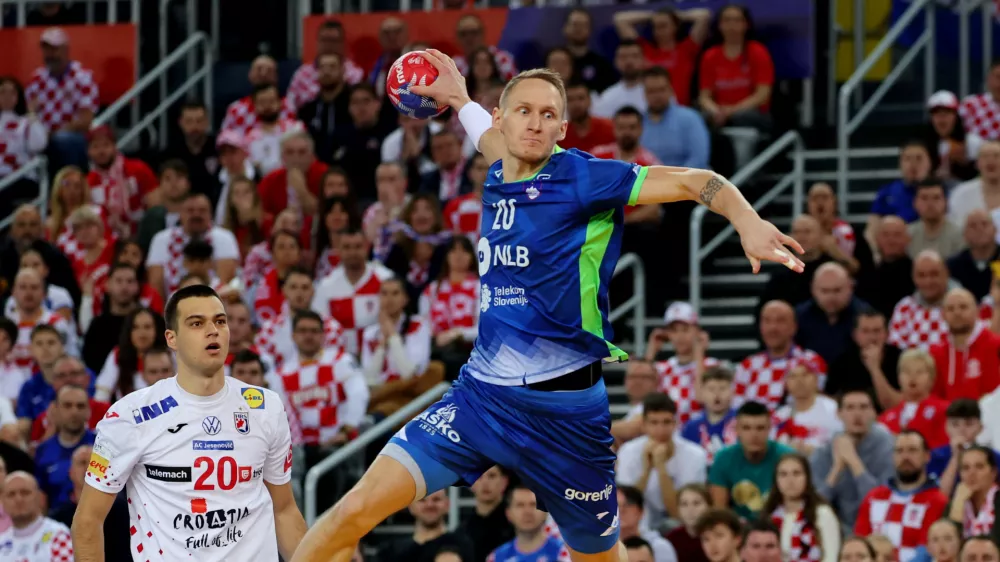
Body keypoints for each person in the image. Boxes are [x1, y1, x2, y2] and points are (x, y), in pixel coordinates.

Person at [292, 50, 802, 562]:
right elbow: (484, 136)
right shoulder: (497, 166)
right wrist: (459, 98)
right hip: (481, 400)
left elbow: (695, 181)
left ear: (562, 128)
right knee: (352, 511)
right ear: (502, 118)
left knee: (597, 557)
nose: (535, 124)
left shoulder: (583, 178)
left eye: (548, 115)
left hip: (567, 417)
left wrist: (747, 220)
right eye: (524, 111)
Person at [70, 285, 308, 560]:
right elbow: (87, 522)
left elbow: (285, 510)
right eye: (197, 323)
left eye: (220, 321)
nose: (213, 330)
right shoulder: (130, 415)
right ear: (171, 338)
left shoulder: (266, 407)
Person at [809, 389, 896, 537]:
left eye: (863, 407)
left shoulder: (889, 447)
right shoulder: (825, 450)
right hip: (837, 531)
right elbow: (813, 507)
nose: (857, 414)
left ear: (874, 413)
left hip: (880, 530)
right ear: (839, 414)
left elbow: (881, 505)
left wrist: (853, 461)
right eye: (850, 408)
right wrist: (837, 468)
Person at [855, 430, 949, 562]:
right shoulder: (874, 497)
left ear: (927, 456)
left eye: (912, 450)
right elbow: (859, 546)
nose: (905, 457)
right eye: (899, 451)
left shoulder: (937, 500)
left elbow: (926, 552)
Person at [616, 393, 707, 528]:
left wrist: (661, 467)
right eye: (654, 423)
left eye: (666, 422)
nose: (660, 430)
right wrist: (646, 470)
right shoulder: (628, 452)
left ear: (675, 423)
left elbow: (680, 514)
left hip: (682, 526)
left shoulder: (695, 455)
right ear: (644, 425)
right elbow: (625, 507)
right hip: (638, 526)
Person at [708, 401, 795, 519]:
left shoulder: (787, 457)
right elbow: (719, 511)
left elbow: (796, 506)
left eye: (760, 428)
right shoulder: (723, 459)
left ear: (769, 429)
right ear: (737, 429)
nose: (754, 434)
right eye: (746, 428)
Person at [762, 454, 841, 562]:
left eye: (796, 473)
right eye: (783, 474)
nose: (790, 480)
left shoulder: (822, 514)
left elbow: (831, 558)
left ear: (807, 478)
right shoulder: (769, 517)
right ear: (776, 480)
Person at [378, 490, 475, 562]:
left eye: (436, 499)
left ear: (447, 504)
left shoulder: (462, 546)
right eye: (422, 500)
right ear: (411, 506)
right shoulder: (390, 551)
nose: (429, 505)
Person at [0, 471, 74, 560]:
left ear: (39, 497)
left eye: (25, 492)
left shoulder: (59, 535)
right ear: (2, 501)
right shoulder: (1, 542)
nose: (18, 499)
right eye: (11, 494)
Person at [486, 485, 571, 562]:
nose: (527, 512)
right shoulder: (496, 558)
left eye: (534, 504)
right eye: (520, 505)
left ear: (545, 511)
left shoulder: (565, 554)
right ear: (508, 514)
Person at [461, 466, 514, 562]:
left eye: (492, 476)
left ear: (504, 481)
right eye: (479, 477)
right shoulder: (463, 531)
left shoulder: (517, 526)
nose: (485, 483)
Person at [616, 486, 679, 562]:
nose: (621, 510)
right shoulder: (602, 547)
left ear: (641, 511)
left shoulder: (659, 547)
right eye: (615, 505)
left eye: (628, 505)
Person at [949, 445, 998, 536]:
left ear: (993, 472)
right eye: (966, 468)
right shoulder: (955, 502)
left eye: (979, 467)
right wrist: (958, 505)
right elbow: (949, 545)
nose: (971, 473)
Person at [664, 484, 711, 562]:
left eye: (696, 503)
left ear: (709, 506)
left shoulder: (717, 535)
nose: (690, 510)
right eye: (684, 504)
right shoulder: (672, 539)